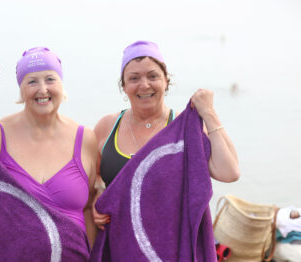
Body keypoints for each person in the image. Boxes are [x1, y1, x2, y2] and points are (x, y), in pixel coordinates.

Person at [93, 40, 239, 228]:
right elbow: (93, 177)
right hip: (115, 244)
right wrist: (97, 197)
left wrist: (209, 113)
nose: (144, 85)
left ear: (166, 81)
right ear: (124, 86)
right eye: (134, 78)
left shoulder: (185, 128)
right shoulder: (108, 126)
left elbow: (229, 172)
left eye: (153, 76)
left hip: (169, 246)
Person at [0, 46, 99, 247]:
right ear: (21, 89)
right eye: (32, 81)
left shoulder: (86, 138)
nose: (43, 89)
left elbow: (88, 207)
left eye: (50, 79)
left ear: (61, 84)